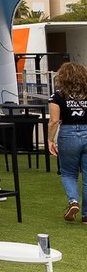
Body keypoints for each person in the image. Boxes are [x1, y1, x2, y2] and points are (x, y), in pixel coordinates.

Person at [48, 61, 87, 222]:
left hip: (68, 134)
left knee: (68, 173)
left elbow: (54, 121)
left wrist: (50, 140)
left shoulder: (57, 95)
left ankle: (73, 201)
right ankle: (86, 215)